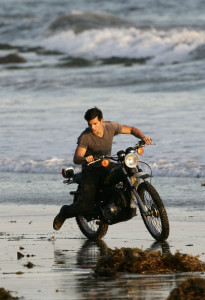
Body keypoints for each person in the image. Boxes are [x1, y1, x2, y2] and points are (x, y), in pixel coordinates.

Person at [53, 107, 152, 230]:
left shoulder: (110, 127)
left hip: (106, 164)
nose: (92, 127)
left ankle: (128, 201)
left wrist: (142, 137)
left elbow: (131, 129)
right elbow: (76, 158)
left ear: (101, 121)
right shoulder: (86, 137)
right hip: (91, 171)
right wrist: (85, 159)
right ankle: (65, 212)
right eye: (90, 124)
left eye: (95, 123)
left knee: (128, 168)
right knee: (85, 205)